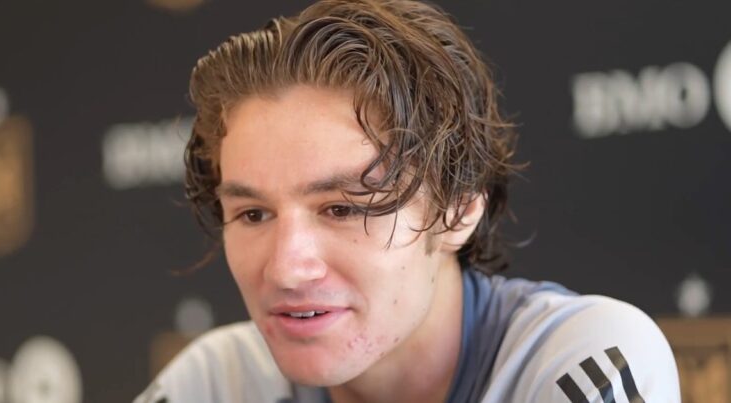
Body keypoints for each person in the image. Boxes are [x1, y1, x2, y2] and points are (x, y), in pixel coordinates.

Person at [135, 1, 680, 402]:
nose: (286, 268)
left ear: (459, 208)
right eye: (253, 214)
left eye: (344, 208)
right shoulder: (215, 383)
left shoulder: (582, 359)